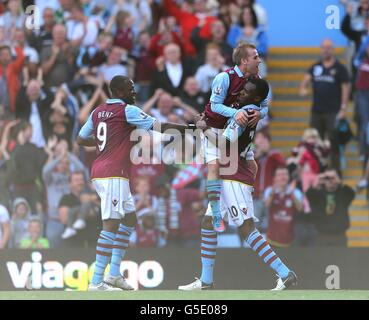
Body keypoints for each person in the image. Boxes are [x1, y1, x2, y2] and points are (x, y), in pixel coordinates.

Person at [77, 75, 195, 291]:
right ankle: (96, 282)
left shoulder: (97, 112)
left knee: (130, 218)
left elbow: (80, 138)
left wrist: (103, 142)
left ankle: (113, 274)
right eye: (131, 89)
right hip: (113, 174)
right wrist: (190, 129)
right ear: (120, 92)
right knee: (111, 224)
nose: (134, 92)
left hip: (101, 171)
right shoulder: (127, 110)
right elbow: (159, 126)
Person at [179, 79, 297, 290]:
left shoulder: (244, 114)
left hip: (233, 175)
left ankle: (285, 272)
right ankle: (206, 281)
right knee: (207, 223)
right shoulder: (251, 111)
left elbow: (225, 144)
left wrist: (203, 128)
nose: (241, 93)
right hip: (230, 174)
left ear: (257, 97)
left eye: (247, 91)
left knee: (246, 228)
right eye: (242, 89)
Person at [202, 42, 268, 232]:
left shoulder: (257, 80)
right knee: (214, 167)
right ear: (244, 61)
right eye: (255, 57)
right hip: (214, 127)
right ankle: (216, 214)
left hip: (235, 130)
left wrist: (259, 114)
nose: (259, 59)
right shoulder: (224, 77)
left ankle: (247, 192)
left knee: (252, 164)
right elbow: (214, 105)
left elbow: (264, 106)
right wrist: (234, 113)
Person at [299, 39, 350, 173]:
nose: (326, 50)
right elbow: (305, 81)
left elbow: (345, 88)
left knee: (333, 142)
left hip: (333, 112)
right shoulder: (315, 67)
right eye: (323, 47)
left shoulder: (340, 68)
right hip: (317, 112)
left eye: (328, 47)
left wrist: (344, 108)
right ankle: (317, 172)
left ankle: (336, 173)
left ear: (332, 49)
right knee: (315, 142)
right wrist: (303, 88)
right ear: (321, 49)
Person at [306, 168, 355, 246]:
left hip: (339, 236)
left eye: (333, 178)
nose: (330, 180)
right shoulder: (318, 194)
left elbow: (351, 194)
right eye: (327, 178)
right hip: (322, 236)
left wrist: (339, 182)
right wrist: (317, 181)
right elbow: (309, 195)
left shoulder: (343, 193)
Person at [253, 129, 286, 232]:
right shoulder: (252, 155)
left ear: (266, 140)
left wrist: (267, 153)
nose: (256, 141)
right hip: (255, 196)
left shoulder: (275, 154)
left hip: (271, 196)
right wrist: (256, 157)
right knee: (254, 225)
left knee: (271, 224)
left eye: (259, 138)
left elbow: (283, 167)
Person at [264, 167, 303, 247]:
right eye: (279, 175)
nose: (282, 177)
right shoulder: (269, 190)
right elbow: (267, 205)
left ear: (288, 177)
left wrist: (292, 193)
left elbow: (300, 208)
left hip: (289, 239)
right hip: (271, 239)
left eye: (285, 174)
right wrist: (273, 192)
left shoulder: (296, 192)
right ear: (275, 178)